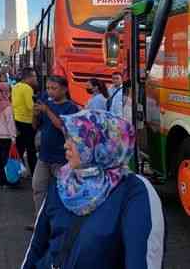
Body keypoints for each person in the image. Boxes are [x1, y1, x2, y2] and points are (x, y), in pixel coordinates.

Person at [22, 110, 165, 268]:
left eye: (74, 139)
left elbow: (139, 260)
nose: (65, 144)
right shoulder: (63, 181)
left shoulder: (134, 191)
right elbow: (37, 245)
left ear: (101, 144)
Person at [30, 75, 80, 227]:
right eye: (48, 88)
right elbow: (35, 127)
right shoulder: (46, 104)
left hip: (62, 158)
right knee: (38, 188)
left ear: (64, 89)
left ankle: (60, 223)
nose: (50, 92)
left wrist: (47, 110)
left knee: (62, 192)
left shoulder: (70, 107)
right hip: (44, 156)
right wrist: (35, 114)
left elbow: (63, 127)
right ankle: (40, 222)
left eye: (54, 88)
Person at [12, 68, 38, 176]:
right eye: (34, 76)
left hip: (17, 120)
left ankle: (17, 171)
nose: (36, 79)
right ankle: (34, 173)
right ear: (29, 77)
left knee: (20, 148)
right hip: (28, 122)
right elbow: (30, 106)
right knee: (31, 150)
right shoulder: (27, 88)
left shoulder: (16, 86)